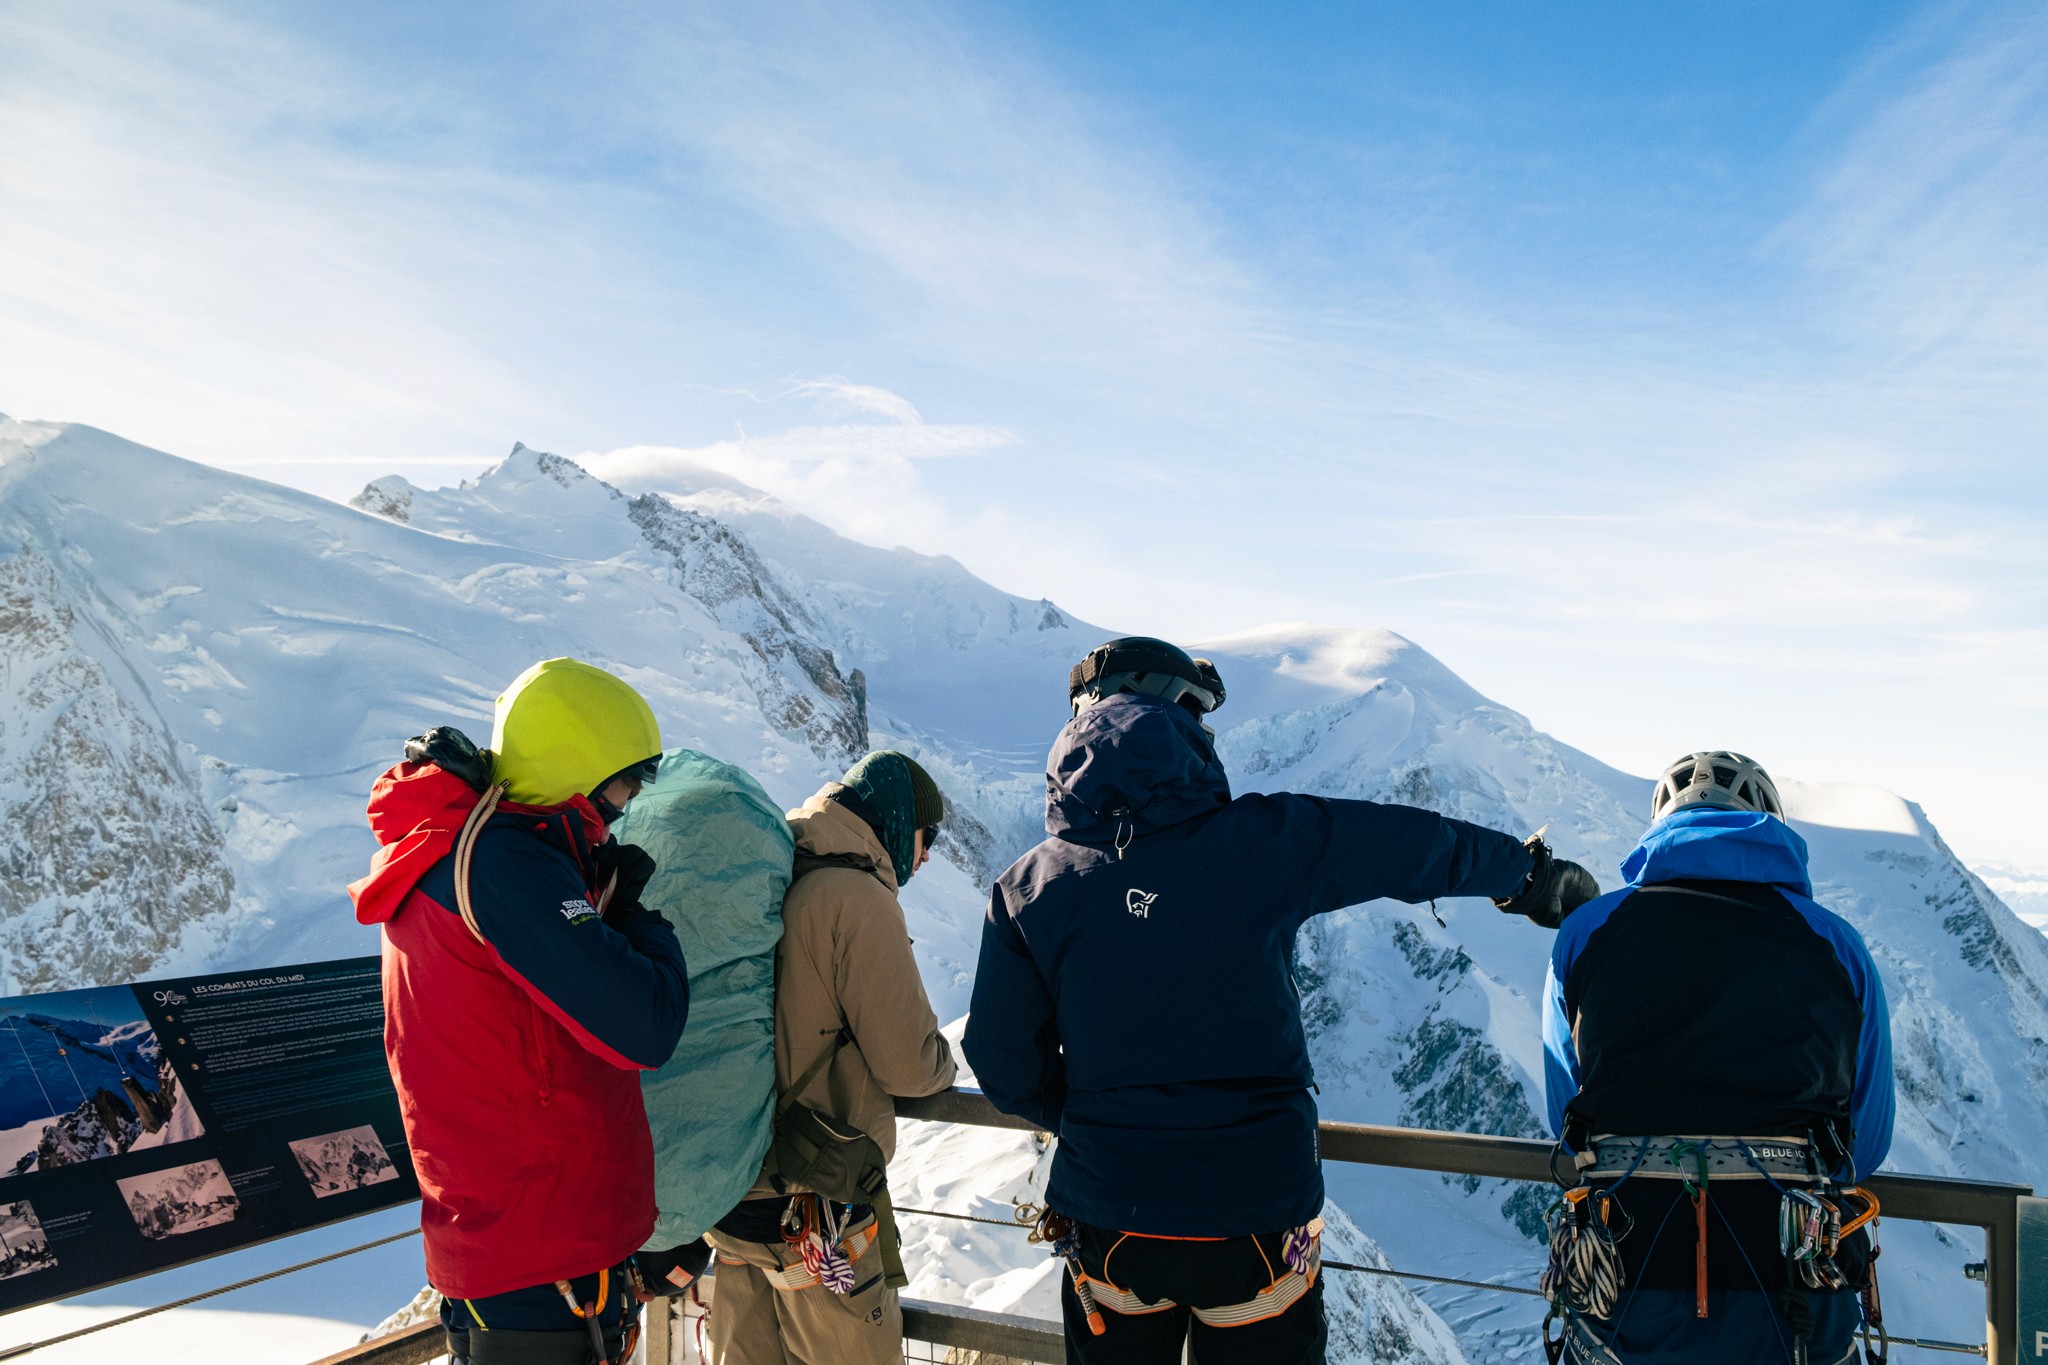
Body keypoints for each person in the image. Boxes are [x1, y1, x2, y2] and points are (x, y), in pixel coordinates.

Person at [963, 637, 1599, 1365]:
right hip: (1256, 1215)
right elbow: (1406, 845)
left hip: (1113, 1219)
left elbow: (1001, 1061)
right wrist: (1526, 877)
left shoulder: (1028, 887)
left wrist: (1096, 1117)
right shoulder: (1265, 840)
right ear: (1182, 718)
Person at [350, 658, 690, 1365]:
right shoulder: (504, 865)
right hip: (545, 1253)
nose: (628, 802)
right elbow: (647, 1023)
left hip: (510, 1241)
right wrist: (637, 919)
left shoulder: (454, 850)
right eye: (626, 782)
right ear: (582, 767)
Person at [1541, 751, 1895, 1365]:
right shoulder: (1835, 942)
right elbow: (1866, 1140)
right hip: (1794, 1281)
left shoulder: (1585, 933)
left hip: (1621, 1276)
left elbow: (1566, 1117)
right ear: (1770, 825)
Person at [704, 750, 959, 1365]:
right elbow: (910, 1067)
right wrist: (945, 1062)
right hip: (814, 1205)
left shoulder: (774, 871)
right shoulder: (856, 897)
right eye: (926, 836)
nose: (926, 856)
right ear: (896, 822)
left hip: (733, 1199)